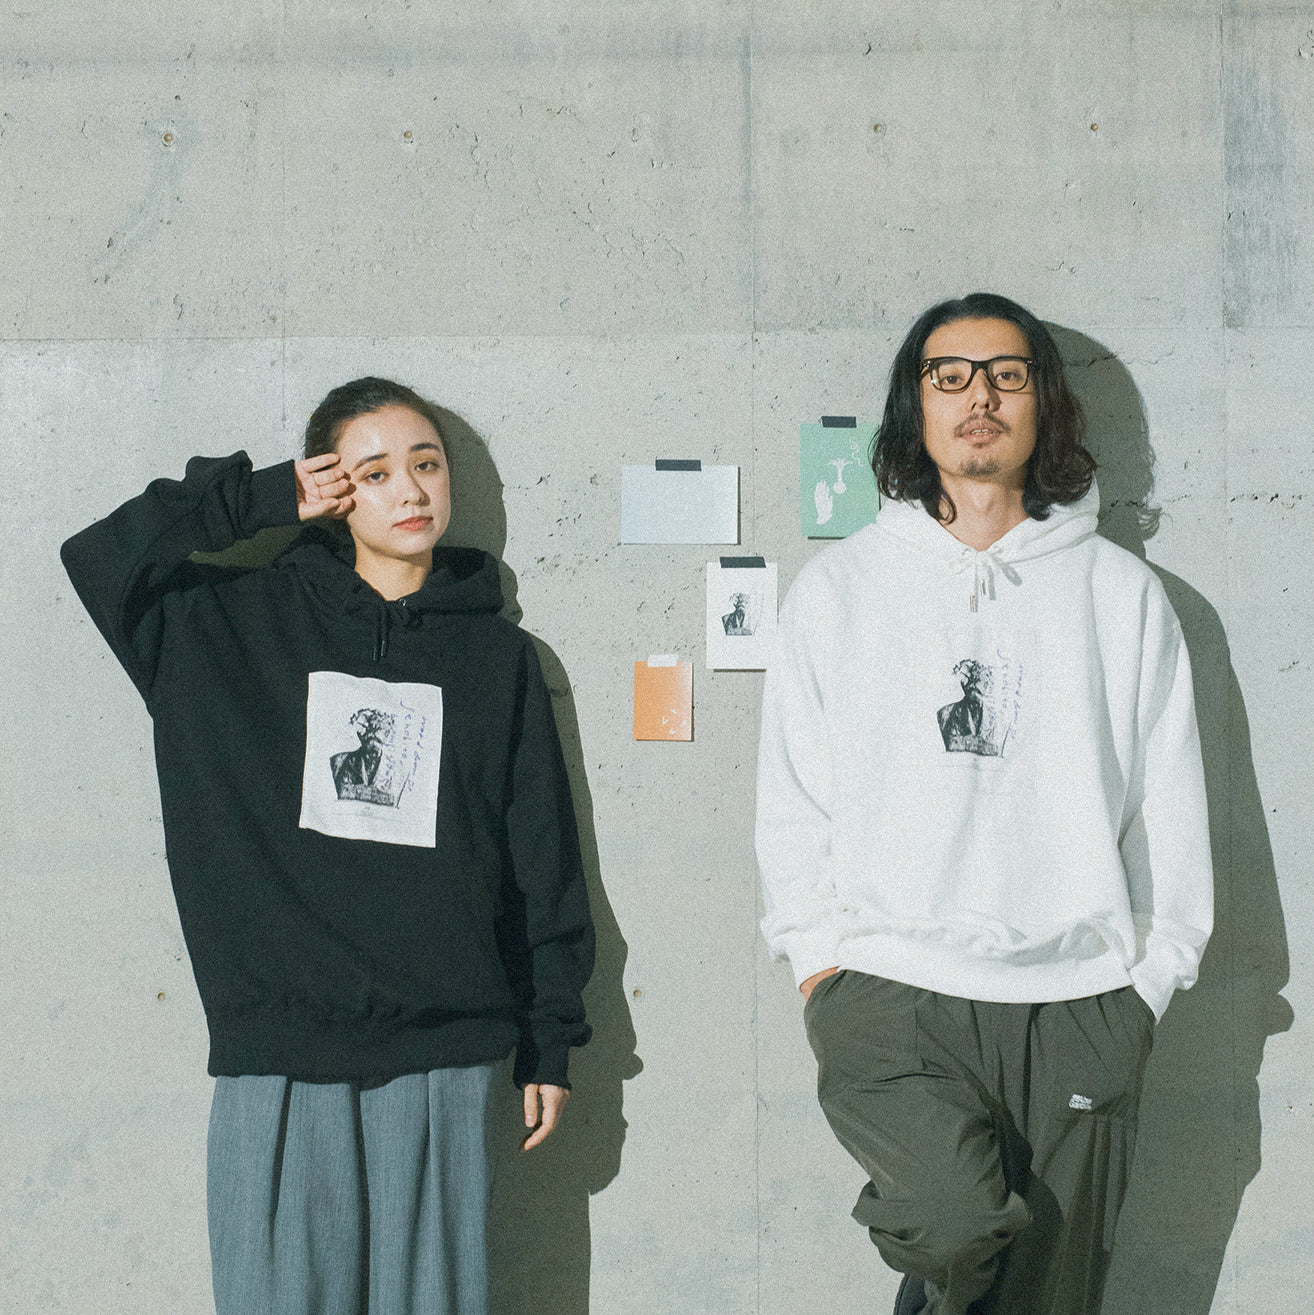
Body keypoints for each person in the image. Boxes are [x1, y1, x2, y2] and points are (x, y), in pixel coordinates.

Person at [61, 376, 595, 1315]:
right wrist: (264, 497)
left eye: (426, 464)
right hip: (280, 1052)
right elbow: (99, 558)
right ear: (333, 488)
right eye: (374, 472)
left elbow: (539, 858)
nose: (410, 490)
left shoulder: (497, 658)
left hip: (443, 1052)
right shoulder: (228, 628)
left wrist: (548, 1039)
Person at [755, 294, 1213, 1315]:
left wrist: (1146, 985)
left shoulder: (1119, 593)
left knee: (1050, 1298)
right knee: (952, 1224)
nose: (980, 397)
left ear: (1043, 403)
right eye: (950, 375)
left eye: (1007, 375)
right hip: (891, 988)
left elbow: (1170, 803)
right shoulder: (840, 589)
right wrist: (820, 965)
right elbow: (793, 796)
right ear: (913, 405)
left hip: (1081, 998)